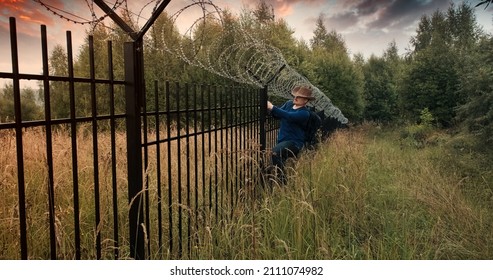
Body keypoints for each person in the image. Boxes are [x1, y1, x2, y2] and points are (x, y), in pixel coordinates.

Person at [266, 86, 315, 185]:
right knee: (278, 158)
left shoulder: (304, 113)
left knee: (274, 153)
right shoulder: (289, 104)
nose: (295, 98)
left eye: (299, 97)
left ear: (305, 100)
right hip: (282, 140)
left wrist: (272, 107)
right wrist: (270, 110)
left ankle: (282, 183)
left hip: (294, 143)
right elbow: (278, 115)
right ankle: (277, 181)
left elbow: (289, 116)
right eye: (295, 96)